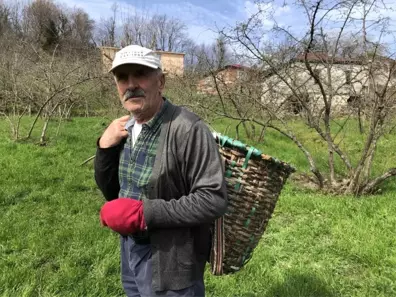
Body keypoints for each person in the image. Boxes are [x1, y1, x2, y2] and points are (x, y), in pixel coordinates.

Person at [94, 44, 228, 297]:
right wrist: (104, 147)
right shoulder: (126, 127)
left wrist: (145, 214)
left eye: (140, 74)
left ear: (161, 82)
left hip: (171, 260)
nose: (131, 84)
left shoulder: (187, 129)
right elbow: (112, 190)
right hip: (131, 248)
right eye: (122, 78)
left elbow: (213, 199)